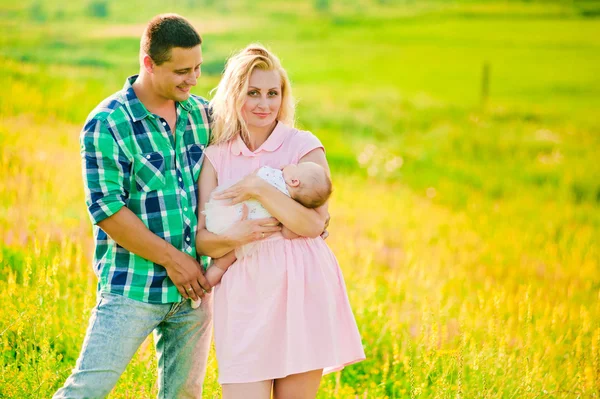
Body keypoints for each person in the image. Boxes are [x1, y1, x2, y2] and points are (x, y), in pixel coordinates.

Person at [53, 15, 277, 399]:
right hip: (132, 287)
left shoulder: (201, 115)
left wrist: (305, 207)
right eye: (181, 71)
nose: (193, 79)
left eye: (198, 68)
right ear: (148, 63)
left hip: (193, 294)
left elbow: (252, 155)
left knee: (185, 396)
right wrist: (176, 261)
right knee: (88, 389)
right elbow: (106, 209)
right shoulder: (107, 123)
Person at [196, 44, 365, 399]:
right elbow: (203, 240)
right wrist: (238, 236)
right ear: (234, 95)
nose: (264, 103)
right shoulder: (216, 156)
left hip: (303, 286)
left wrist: (258, 187)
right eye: (253, 92)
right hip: (244, 294)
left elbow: (314, 224)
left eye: (273, 93)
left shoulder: (302, 146)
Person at [190, 162, 332, 307]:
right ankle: (198, 293)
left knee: (221, 261)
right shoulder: (291, 203)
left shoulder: (270, 174)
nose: (291, 165)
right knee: (220, 266)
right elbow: (288, 233)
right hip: (246, 231)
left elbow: (255, 174)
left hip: (223, 215)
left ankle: (197, 291)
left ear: (295, 181)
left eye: (296, 166)